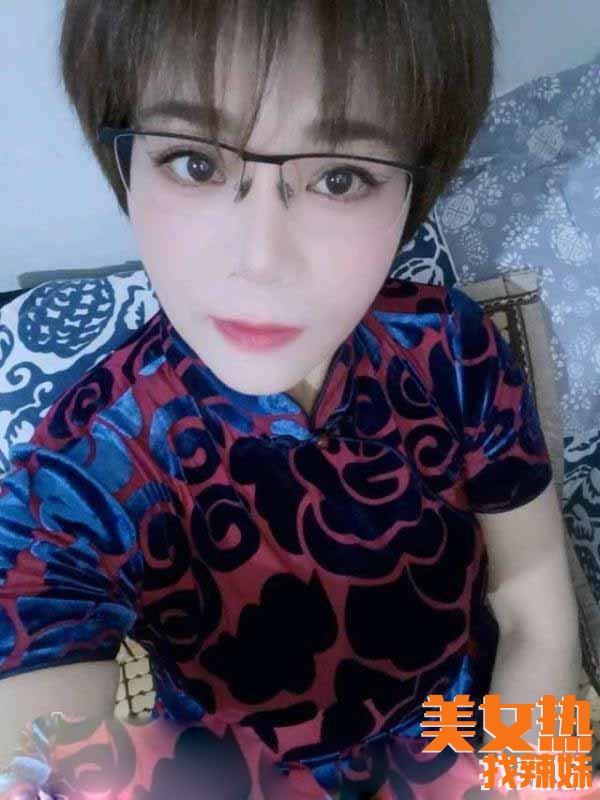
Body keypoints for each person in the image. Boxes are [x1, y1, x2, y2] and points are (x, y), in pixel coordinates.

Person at [0, 0, 582, 797]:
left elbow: (531, 596)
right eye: (194, 163)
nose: (261, 260)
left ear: (413, 187)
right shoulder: (94, 452)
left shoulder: (450, 348)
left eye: (340, 177)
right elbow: (33, 710)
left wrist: (529, 780)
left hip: (460, 723)